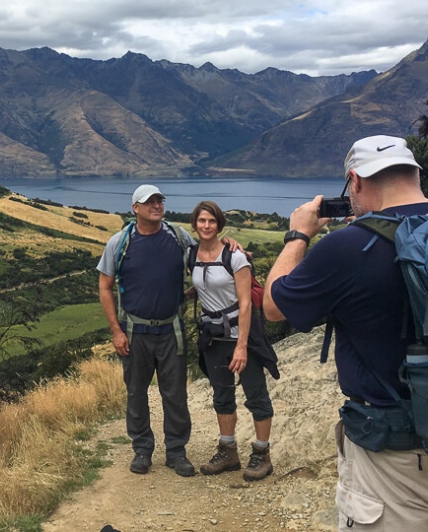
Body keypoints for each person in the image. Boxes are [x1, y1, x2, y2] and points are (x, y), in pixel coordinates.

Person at [263, 135, 428, 530]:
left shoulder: (350, 246)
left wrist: (299, 235)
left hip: (392, 449)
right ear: (415, 172)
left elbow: (272, 305)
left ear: (354, 181)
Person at [97, 185, 241, 477]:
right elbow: (104, 286)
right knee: (136, 392)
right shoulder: (120, 242)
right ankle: (142, 450)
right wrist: (116, 331)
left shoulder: (176, 237)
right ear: (135, 208)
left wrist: (231, 244)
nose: (157, 205)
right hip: (134, 331)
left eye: (159, 200)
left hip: (170, 329)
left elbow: (207, 251)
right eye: (149, 202)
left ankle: (176, 452)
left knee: (175, 394)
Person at [189, 201, 274, 481]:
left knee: (256, 395)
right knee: (222, 396)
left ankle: (262, 454)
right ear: (195, 223)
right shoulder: (193, 255)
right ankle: (229, 452)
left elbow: (247, 304)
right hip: (213, 338)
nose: (206, 226)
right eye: (202, 221)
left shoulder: (235, 257)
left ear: (219, 224)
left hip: (240, 336)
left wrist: (242, 346)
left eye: (211, 221)